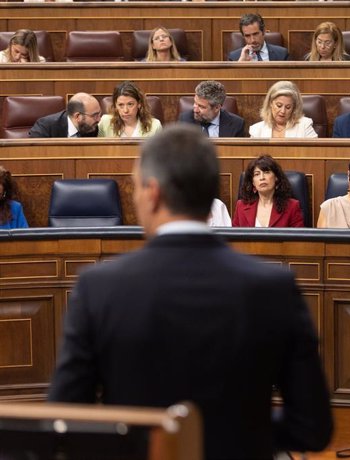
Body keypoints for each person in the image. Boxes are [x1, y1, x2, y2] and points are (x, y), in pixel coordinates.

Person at [48, 124, 333, 459]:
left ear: (153, 193)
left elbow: (66, 421)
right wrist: (243, 430)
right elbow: (313, 427)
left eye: (136, 187)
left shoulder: (98, 289)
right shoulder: (275, 289)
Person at [233, 155, 304, 228]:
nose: (262, 178)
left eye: (266, 172)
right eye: (257, 174)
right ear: (253, 182)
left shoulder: (292, 206)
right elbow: (234, 237)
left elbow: (298, 238)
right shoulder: (241, 206)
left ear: (276, 177)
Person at [249, 81, 317, 138]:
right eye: (279, 106)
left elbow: (315, 152)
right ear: (270, 103)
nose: (283, 111)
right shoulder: (256, 130)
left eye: (288, 107)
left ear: (294, 108)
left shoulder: (304, 125)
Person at [178, 80, 246, 137]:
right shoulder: (185, 120)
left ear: (217, 107)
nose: (195, 110)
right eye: (195, 103)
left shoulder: (236, 124)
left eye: (201, 107)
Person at [98, 81, 162, 138]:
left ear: (139, 104)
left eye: (130, 104)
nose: (125, 110)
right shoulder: (105, 122)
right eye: (121, 105)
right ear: (115, 106)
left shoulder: (154, 126)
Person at [29, 92, 101, 138]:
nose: (98, 119)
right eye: (95, 115)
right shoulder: (45, 127)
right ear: (77, 116)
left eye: (99, 114)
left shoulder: (91, 128)